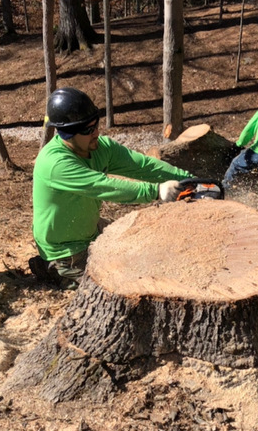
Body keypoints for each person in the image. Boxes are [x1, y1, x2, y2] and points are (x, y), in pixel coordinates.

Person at [29, 87, 194, 290]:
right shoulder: (55, 163)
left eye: (95, 125)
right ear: (67, 133)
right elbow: (103, 186)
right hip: (66, 251)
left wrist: (189, 180)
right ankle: (55, 271)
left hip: (90, 230)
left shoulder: (100, 147)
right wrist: (156, 191)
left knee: (146, 248)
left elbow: (144, 166)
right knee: (123, 284)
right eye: (88, 130)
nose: (96, 133)